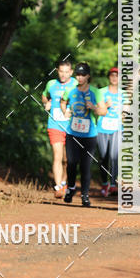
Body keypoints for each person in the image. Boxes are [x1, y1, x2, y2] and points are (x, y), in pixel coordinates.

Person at [60, 62, 107, 207]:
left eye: (83, 75)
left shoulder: (95, 92)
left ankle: (85, 196)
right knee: (71, 163)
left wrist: (93, 107)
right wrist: (65, 111)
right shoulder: (71, 90)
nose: (80, 78)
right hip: (72, 133)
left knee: (85, 166)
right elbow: (63, 101)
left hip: (89, 135)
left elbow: (103, 111)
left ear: (88, 76)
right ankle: (71, 188)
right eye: (78, 75)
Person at [41, 59, 76, 198]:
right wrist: (47, 102)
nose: (63, 75)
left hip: (72, 126)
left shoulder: (76, 83)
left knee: (69, 159)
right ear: (57, 71)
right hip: (55, 124)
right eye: (61, 71)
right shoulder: (51, 84)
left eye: (66, 72)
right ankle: (58, 186)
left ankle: (63, 182)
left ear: (71, 72)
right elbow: (44, 95)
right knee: (57, 156)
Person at [96, 67, 127, 197]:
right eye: (112, 75)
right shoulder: (100, 92)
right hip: (102, 127)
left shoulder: (124, 94)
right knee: (103, 156)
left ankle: (113, 185)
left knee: (114, 156)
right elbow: (96, 109)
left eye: (117, 75)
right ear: (109, 77)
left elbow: (126, 111)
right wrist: (105, 106)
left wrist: (125, 115)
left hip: (117, 127)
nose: (115, 78)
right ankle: (104, 183)